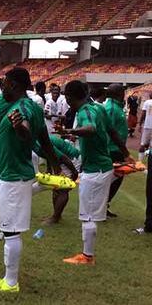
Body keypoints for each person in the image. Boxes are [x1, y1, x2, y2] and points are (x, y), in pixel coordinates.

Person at [0, 67, 59, 293]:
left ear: (14, 85)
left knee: (10, 231)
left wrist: (19, 128)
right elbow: (45, 140)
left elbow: (26, 132)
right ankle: (40, 185)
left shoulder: (22, 109)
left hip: (15, 177)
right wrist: (55, 167)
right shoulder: (31, 107)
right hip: (8, 174)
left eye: (5, 83)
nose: (2, 87)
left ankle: (10, 282)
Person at [58, 80, 114, 265]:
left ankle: (87, 256)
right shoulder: (98, 107)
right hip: (100, 166)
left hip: (95, 169)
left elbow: (90, 129)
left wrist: (69, 129)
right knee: (89, 213)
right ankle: (87, 254)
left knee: (88, 214)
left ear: (69, 97)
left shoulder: (84, 111)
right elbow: (111, 131)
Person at [105, 84, 132, 217]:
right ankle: (101, 205)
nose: (124, 94)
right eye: (122, 92)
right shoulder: (111, 108)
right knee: (112, 178)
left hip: (118, 148)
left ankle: (105, 204)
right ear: (117, 93)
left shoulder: (117, 107)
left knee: (117, 177)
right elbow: (107, 130)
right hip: (112, 149)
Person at [139, 92, 152, 162]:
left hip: (147, 125)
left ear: (150, 95)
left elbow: (143, 114)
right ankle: (149, 162)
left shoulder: (147, 102)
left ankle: (140, 162)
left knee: (142, 144)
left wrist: (140, 124)